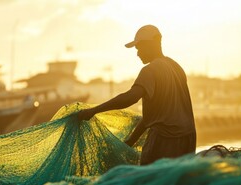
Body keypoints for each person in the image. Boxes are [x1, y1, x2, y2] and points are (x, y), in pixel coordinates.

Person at [78, 24, 196, 165]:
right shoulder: (176, 68)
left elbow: (130, 98)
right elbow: (151, 117)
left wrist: (94, 110)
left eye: (139, 48)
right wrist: (130, 142)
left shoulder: (150, 70)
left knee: (150, 181)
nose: (138, 54)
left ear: (152, 44)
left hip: (165, 140)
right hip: (188, 139)